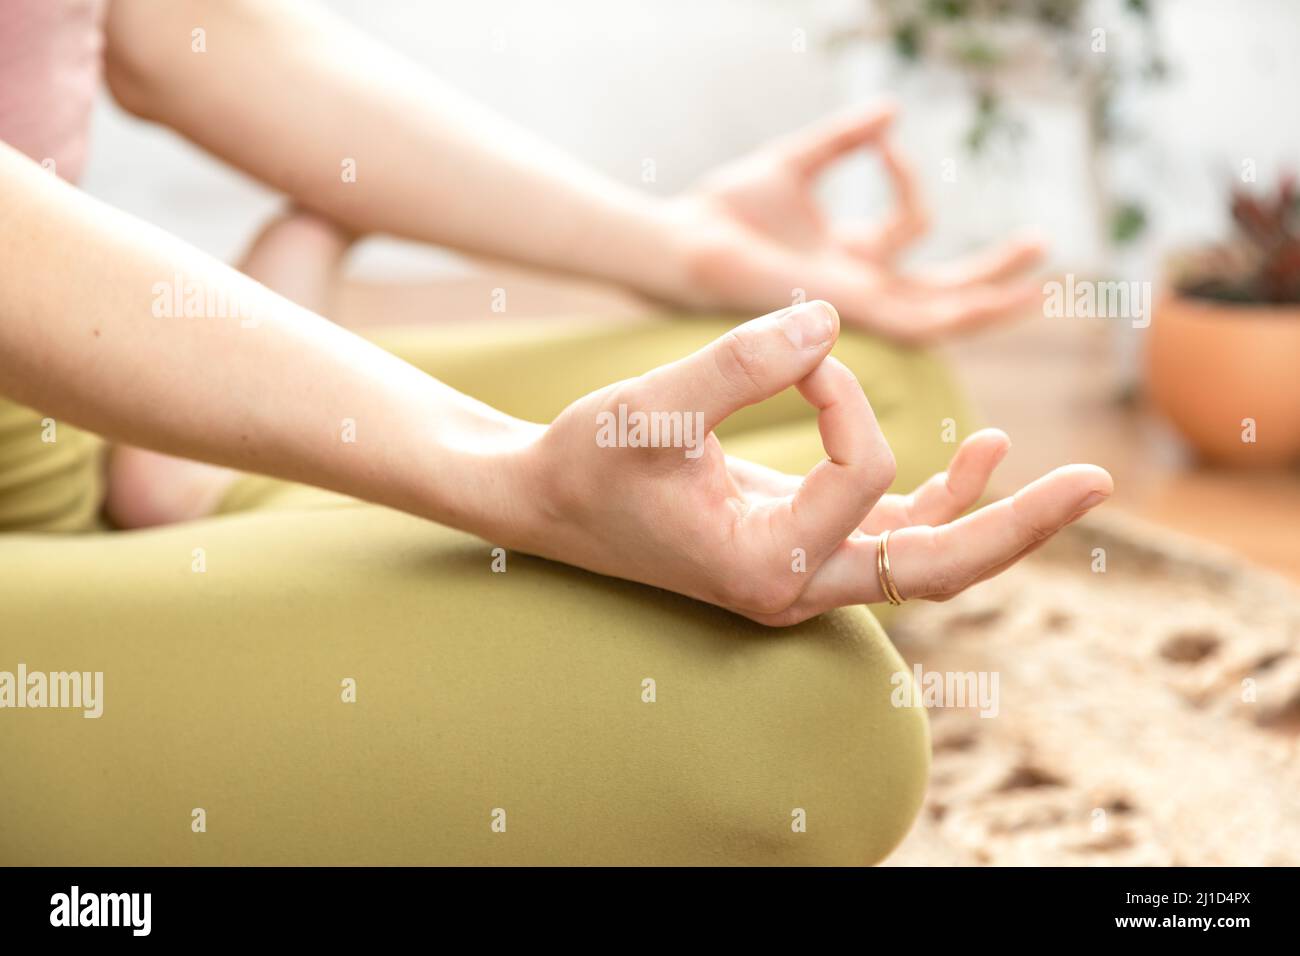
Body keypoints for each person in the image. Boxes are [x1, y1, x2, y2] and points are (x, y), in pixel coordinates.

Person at [0, 0, 1111, 865]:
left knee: (884, 389)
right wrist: (509, 478)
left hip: (62, 367)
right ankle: (206, 457)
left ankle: (185, 460)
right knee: (805, 725)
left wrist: (679, 248)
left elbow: (176, 29)